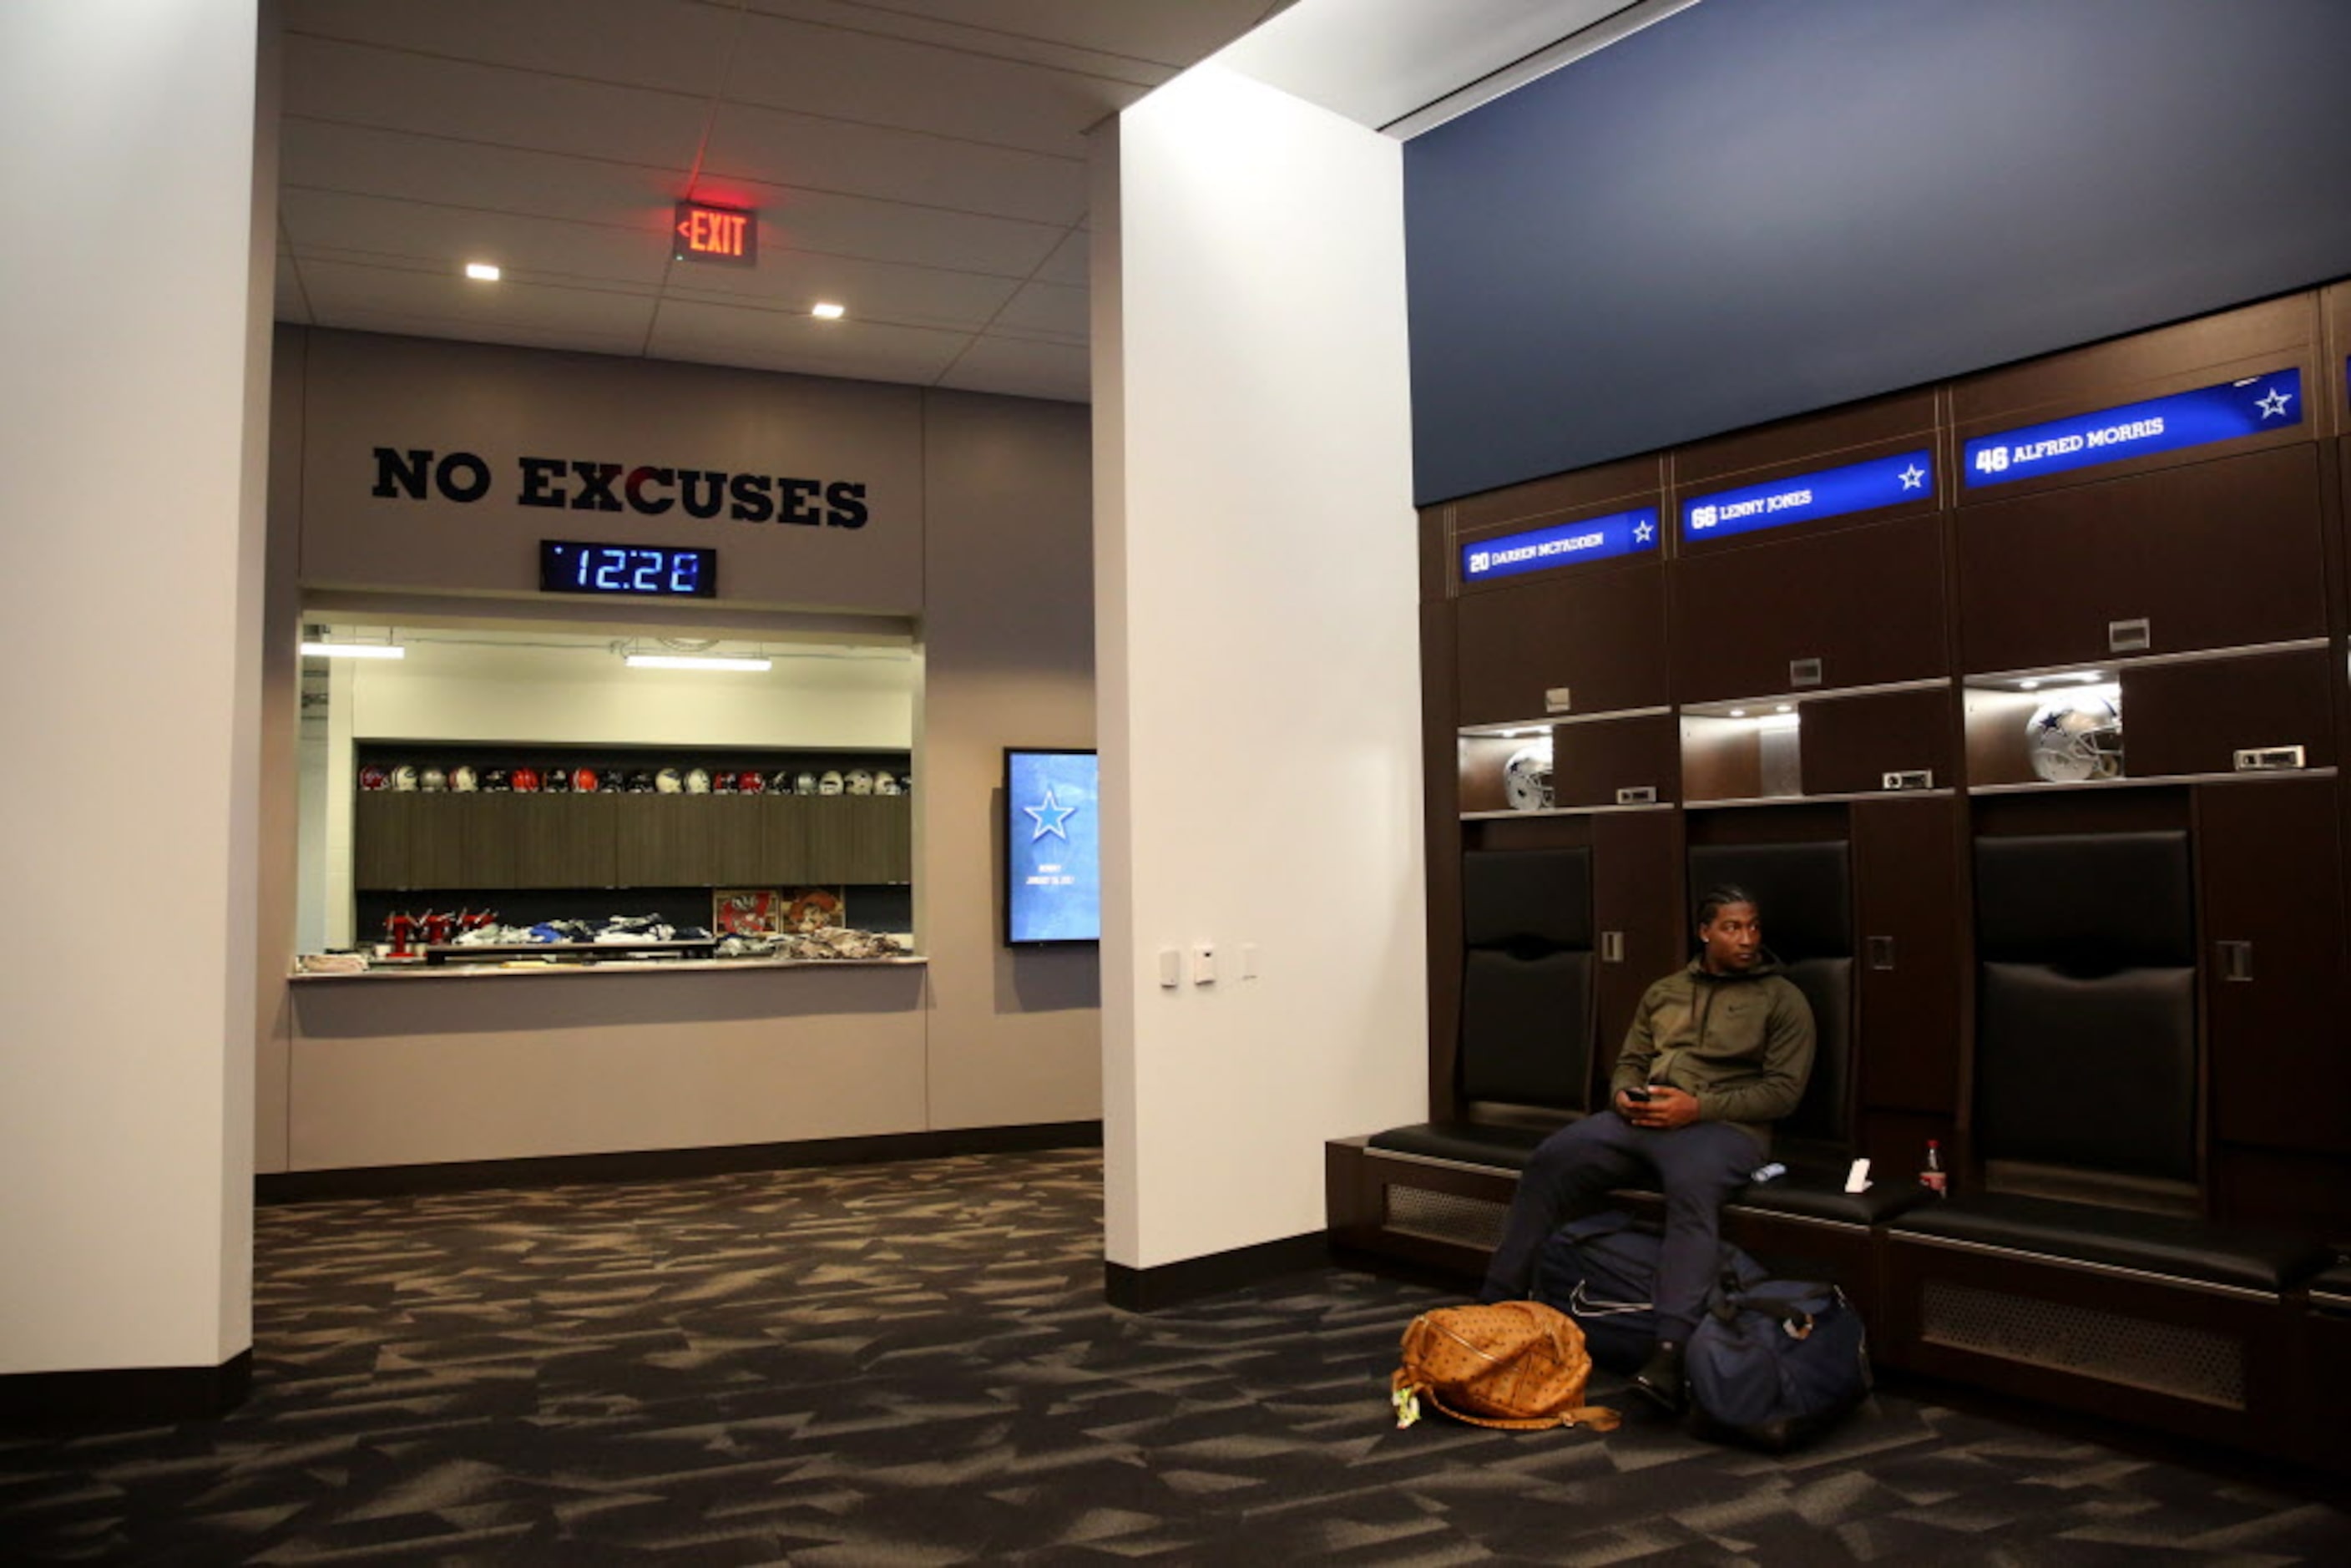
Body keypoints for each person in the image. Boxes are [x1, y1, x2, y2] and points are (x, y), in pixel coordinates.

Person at [1478, 884, 1815, 1412]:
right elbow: (1631, 1062)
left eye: (1753, 927)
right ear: (1705, 932)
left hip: (1723, 1130)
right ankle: (1494, 1312)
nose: (1747, 938)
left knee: (1692, 1190)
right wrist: (1622, 1096)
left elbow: (1783, 1093)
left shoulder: (1783, 999)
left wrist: (1696, 1108)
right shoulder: (1665, 991)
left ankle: (1668, 1351)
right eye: (1732, 927)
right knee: (1551, 1159)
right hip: (1644, 1120)